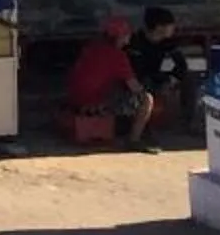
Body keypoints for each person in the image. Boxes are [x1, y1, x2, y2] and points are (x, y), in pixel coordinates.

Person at [64, 15, 156, 148]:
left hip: (75, 98)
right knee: (146, 100)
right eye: (127, 35)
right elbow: (135, 88)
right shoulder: (118, 56)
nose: (129, 39)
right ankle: (134, 139)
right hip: (93, 104)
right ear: (120, 37)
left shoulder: (92, 47)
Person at [130, 6, 194, 128]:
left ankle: (188, 121)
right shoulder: (136, 42)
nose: (173, 28)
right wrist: (161, 79)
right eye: (171, 25)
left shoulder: (167, 41)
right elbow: (138, 71)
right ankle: (143, 126)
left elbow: (181, 65)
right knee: (146, 83)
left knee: (189, 77)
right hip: (138, 80)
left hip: (157, 76)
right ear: (159, 27)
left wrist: (172, 78)